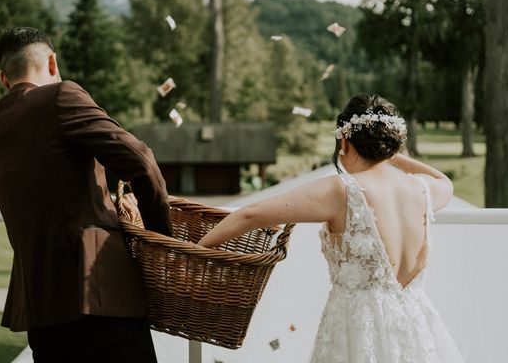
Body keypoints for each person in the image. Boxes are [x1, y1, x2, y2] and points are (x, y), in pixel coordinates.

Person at [199, 94, 465, 362]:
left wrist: (195, 250)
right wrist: (393, 157)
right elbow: (443, 180)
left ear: (345, 141)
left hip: (359, 331)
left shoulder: (342, 190)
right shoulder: (423, 188)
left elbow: (251, 215)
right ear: (390, 142)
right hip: (414, 326)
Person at [0, 27, 173, 363]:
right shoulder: (60, 97)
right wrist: (163, 245)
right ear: (53, 63)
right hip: (98, 299)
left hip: (41, 309)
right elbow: (140, 160)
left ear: (3, 78)